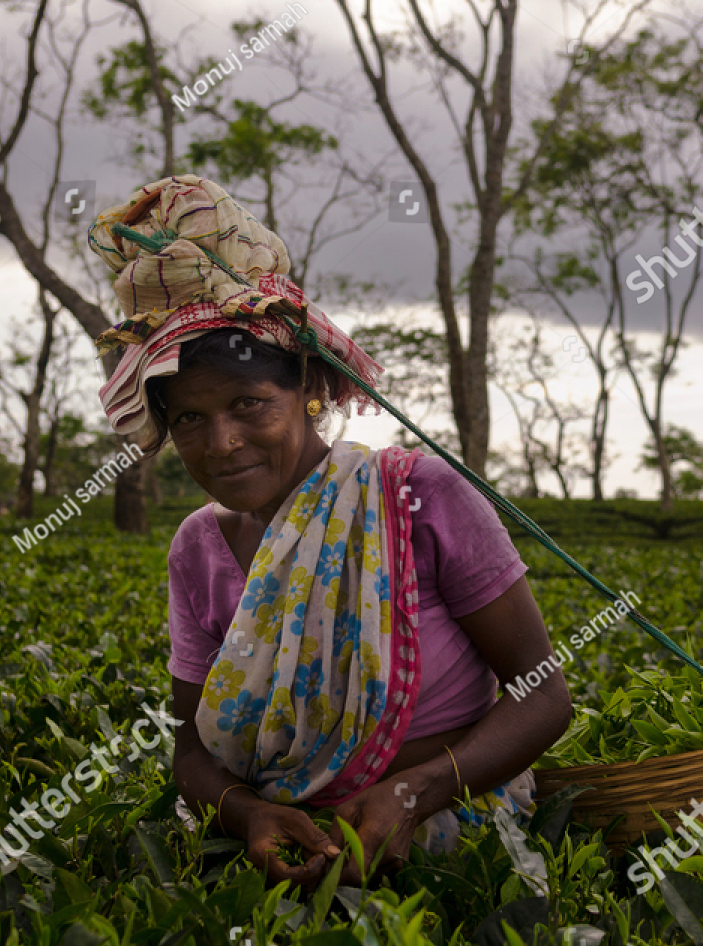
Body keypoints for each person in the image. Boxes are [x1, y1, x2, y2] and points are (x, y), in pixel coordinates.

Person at [86, 176, 572, 886]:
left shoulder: (420, 496)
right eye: (189, 418)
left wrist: (415, 793)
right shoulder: (197, 548)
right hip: (271, 855)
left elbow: (542, 694)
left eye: (249, 403)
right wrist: (246, 813)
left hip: (450, 843)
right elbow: (190, 749)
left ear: (308, 389)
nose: (221, 442)